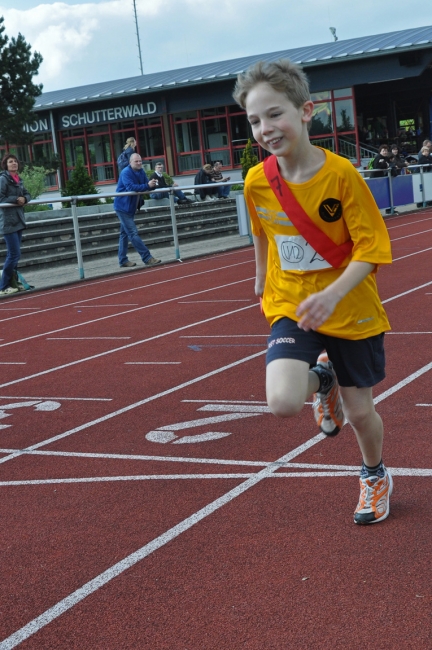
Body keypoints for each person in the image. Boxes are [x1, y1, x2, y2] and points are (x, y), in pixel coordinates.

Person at [233, 59, 393, 525]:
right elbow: (262, 233)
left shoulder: (341, 175)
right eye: (255, 120)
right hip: (291, 301)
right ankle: (322, 381)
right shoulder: (257, 180)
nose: (265, 129)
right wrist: (261, 277)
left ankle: (374, 475)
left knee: (361, 412)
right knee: (282, 402)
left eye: (274, 114)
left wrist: (334, 294)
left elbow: (372, 248)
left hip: (349, 306)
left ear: (306, 111)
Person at [113, 153, 161, 268]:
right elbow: (131, 188)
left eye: (140, 161)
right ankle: (147, 257)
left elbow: (145, 184)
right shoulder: (125, 172)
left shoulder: (141, 171)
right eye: (136, 161)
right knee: (133, 233)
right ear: (130, 162)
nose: (139, 163)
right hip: (122, 207)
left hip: (131, 207)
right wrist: (147, 185)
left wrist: (152, 185)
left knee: (124, 234)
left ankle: (123, 260)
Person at [0, 154, 31, 296]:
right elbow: (1, 198)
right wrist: (15, 199)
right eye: (10, 162)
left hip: (19, 220)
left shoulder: (19, 179)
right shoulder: (3, 179)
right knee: (14, 254)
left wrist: (24, 198)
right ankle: (3, 286)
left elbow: (27, 194)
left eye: (15, 161)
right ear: (5, 165)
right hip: (8, 221)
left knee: (16, 255)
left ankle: (14, 282)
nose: (14, 164)